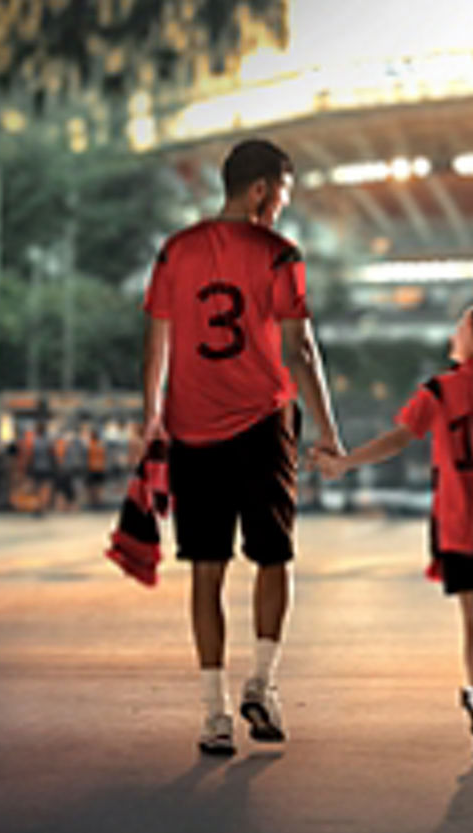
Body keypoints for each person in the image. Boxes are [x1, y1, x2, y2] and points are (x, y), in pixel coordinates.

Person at [142, 138, 343, 756]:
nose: (282, 207)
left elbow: (157, 346)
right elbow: (300, 350)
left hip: (192, 427)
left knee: (206, 567)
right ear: (260, 190)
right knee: (273, 556)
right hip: (262, 421)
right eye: (281, 194)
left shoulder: (175, 252)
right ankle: (263, 680)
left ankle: (214, 714)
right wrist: (329, 430)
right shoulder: (281, 254)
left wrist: (152, 417)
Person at [317, 303, 473, 763]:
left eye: (460, 329)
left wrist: (345, 463)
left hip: (459, 521)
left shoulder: (440, 390)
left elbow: (397, 438)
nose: (452, 336)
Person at [85, 428, 108, 509]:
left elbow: (86, 457)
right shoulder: (101, 445)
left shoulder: (89, 445)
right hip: (100, 468)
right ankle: (99, 502)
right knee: (99, 487)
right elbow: (105, 456)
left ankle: (93, 503)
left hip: (91, 468)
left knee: (92, 487)